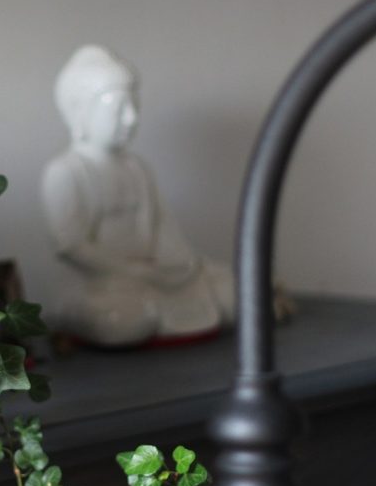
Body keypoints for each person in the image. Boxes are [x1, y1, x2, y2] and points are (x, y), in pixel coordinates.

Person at [41, 45, 234, 346]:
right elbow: (71, 246)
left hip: (154, 275)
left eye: (134, 107)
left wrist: (178, 265)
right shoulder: (66, 172)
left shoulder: (137, 168)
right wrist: (133, 271)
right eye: (119, 109)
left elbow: (163, 229)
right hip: (102, 283)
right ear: (82, 113)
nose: (131, 119)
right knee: (122, 319)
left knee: (232, 293)